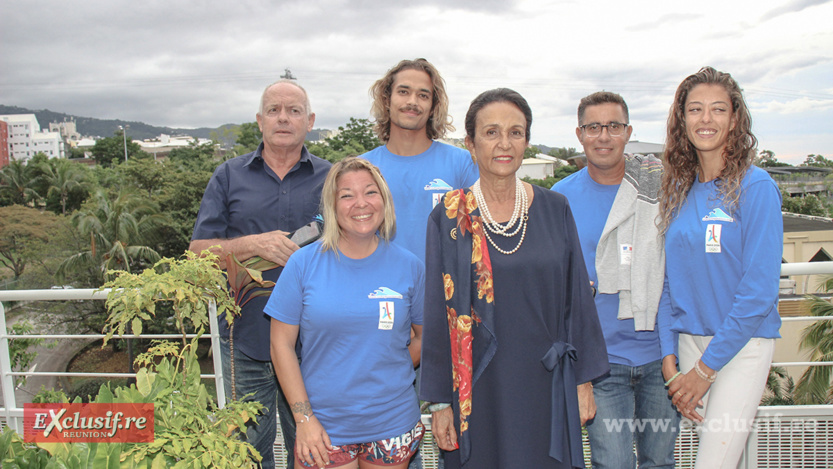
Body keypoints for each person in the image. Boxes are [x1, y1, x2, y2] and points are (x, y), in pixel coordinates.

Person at [420, 88, 609, 469]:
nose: (504, 143)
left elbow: (578, 300)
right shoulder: (450, 216)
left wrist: (583, 382)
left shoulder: (556, 208)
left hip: (546, 382)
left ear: (526, 140)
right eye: (491, 133)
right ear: (471, 144)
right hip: (477, 385)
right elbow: (438, 313)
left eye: (516, 132)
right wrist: (440, 403)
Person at [190, 80, 331, 468]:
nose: (283, 118)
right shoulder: (228, 176)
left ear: (310, 120)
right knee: (247, 454)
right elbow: (197, 253)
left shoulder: (332, 179)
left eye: (294, 110)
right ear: (259, 120)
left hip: (314, 345)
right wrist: (253, 244)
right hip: (244, 341)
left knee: (315, 453)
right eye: (274, 110)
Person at [657, 67, 782, 468]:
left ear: (735, 119)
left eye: (718, 109)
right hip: (689, 347)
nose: (705, 119)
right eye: (695, 109)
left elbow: (760, 291)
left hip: (741, 347)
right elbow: (667, 283)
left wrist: (706, 370)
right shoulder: (678, 189)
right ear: (682, 120)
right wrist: (669, 362)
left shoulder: (756, 186)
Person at [266, 157, 425, 469]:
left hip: (391, 424)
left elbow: (426, 337)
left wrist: (382, 368)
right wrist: (304, 418)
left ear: (384, 200)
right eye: (347, 195)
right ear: (331, 205)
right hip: (322, 427)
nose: (360, 204)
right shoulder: (303, 264)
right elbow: (280, 346)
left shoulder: (410, 266)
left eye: (370, 192)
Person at [552, 91, 679, 468]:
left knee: (660, 463)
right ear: (579, 134)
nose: (603, 136)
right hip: (601, 361)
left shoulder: (662, 188)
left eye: (613, 126)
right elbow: (557, 285)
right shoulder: (560, 198)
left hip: (662, 357)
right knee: (614, 464)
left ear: (628, 132)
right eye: (594, 127)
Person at [362, 58, 479, 263]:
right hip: (380, 292)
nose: (412, 102)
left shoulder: (463, 164)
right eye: (403, 92)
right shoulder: (363, 168)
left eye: (423, 95)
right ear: (387, 100)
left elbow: (481, 237)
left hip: (446, 292)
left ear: (433, 106)